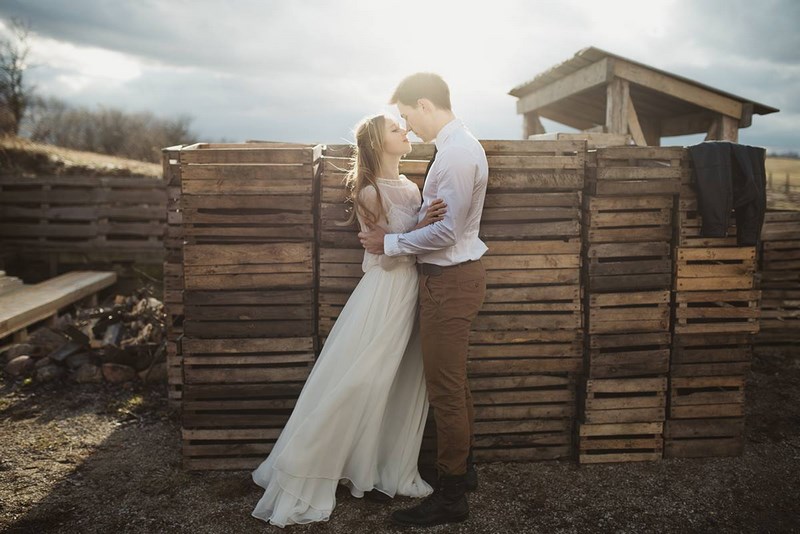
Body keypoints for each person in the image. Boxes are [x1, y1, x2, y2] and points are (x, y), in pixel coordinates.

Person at [250, 113, 448, 527]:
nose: (405, 131)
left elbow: (404, 245)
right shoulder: (370, 192)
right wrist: (419, 230)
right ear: (378, 143)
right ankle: (306, 460)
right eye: (396, 129)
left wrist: (418, 230)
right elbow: (383, 260)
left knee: (401, 384)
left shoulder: (412, 187)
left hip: (411, 292)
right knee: (362, 380)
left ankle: (381, 470)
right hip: (385, 296)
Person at [359, 72, 489, 528]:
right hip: (449, 279)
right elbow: (439, 222)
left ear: (425, 104)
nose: (408, 125)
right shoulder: (455, 148)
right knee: (455, 385)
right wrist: (415, 219)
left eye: (407, 114)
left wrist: (389, 245)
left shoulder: (455, 154)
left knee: (446, 392)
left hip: (450, 281)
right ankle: (465, 473)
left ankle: (451, 498)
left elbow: (447, 232)